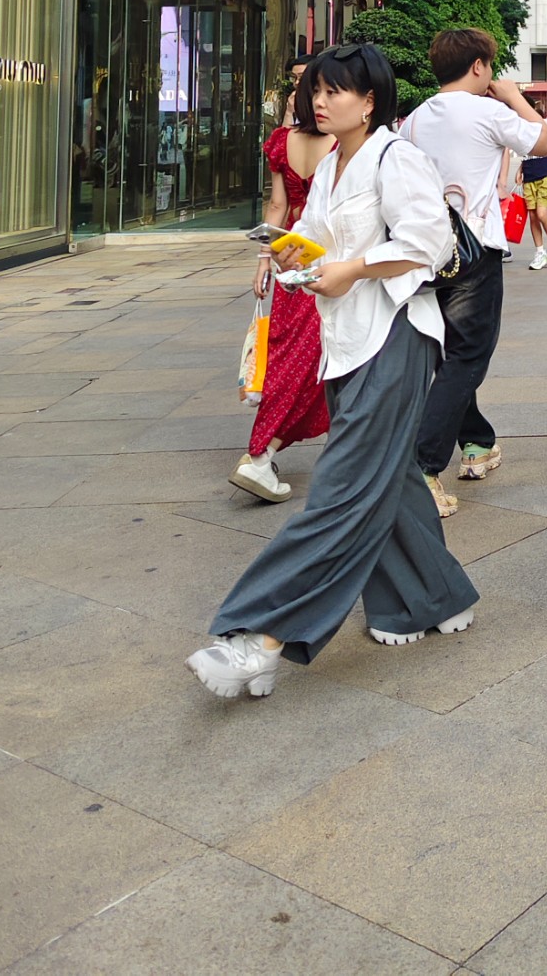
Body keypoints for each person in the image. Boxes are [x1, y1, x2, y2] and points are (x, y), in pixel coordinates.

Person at [186, 42, 478, 699]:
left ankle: (258, 638)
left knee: (343, 490)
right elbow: (321, 242)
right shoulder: (330, 166)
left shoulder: (395, 158)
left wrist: (353, 268)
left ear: (369, 100)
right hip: (343, 340)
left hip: (395, 334)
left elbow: (428, 242)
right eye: (315, 90)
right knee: (388, 477)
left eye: (334, 90)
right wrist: (296, 257)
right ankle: (434, 597)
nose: (319, 101)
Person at [399, 29, 547, 516]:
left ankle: (477, 441)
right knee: (469, 354)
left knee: (451, 353)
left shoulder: (415, 118)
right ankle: (422, 466)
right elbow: (545, 141)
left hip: (428, 252)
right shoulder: (487, 111)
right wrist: (513, 97)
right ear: (479, 66)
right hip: (475, 248)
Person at [234, 83, 334, 503]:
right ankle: (261, 452)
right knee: (308, 360)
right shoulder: (342, 143)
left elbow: (277, 207)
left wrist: (263, 261)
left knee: (290, 352)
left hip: (288, 254)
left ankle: (268, 451)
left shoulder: (281, 142)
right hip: (327, 255)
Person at [521, 133, 547, 268]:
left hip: (546, 175)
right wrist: (520, 170)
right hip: (529, 175)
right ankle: (539, 252)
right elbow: (525, 153)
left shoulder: (543, 126)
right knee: (533, 216)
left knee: (541, 213)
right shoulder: (522, 128)